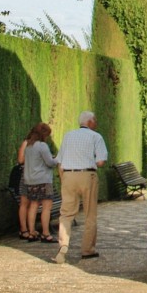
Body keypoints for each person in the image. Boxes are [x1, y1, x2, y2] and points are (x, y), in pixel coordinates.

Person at [53, 110, 108, 264]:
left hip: (68, 176)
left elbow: (60, 160)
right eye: (95, 120)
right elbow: (101, 162)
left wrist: (63, 177)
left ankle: (63, 245)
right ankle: (87, 250)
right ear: (90, 122)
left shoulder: (68, 135)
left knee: (66, 213)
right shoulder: (96, 137)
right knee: (90, 214)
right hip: (87, 175)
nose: (96, 123)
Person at [23, 122, 59, 242]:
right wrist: (57, 158)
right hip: (43, 180)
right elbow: (50, 163)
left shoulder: (28, 146)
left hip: (30, 180)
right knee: (46, 207)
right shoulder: (42, 146)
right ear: (43, 134)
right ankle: (46, 233)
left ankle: (31, 232)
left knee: (33, 205)